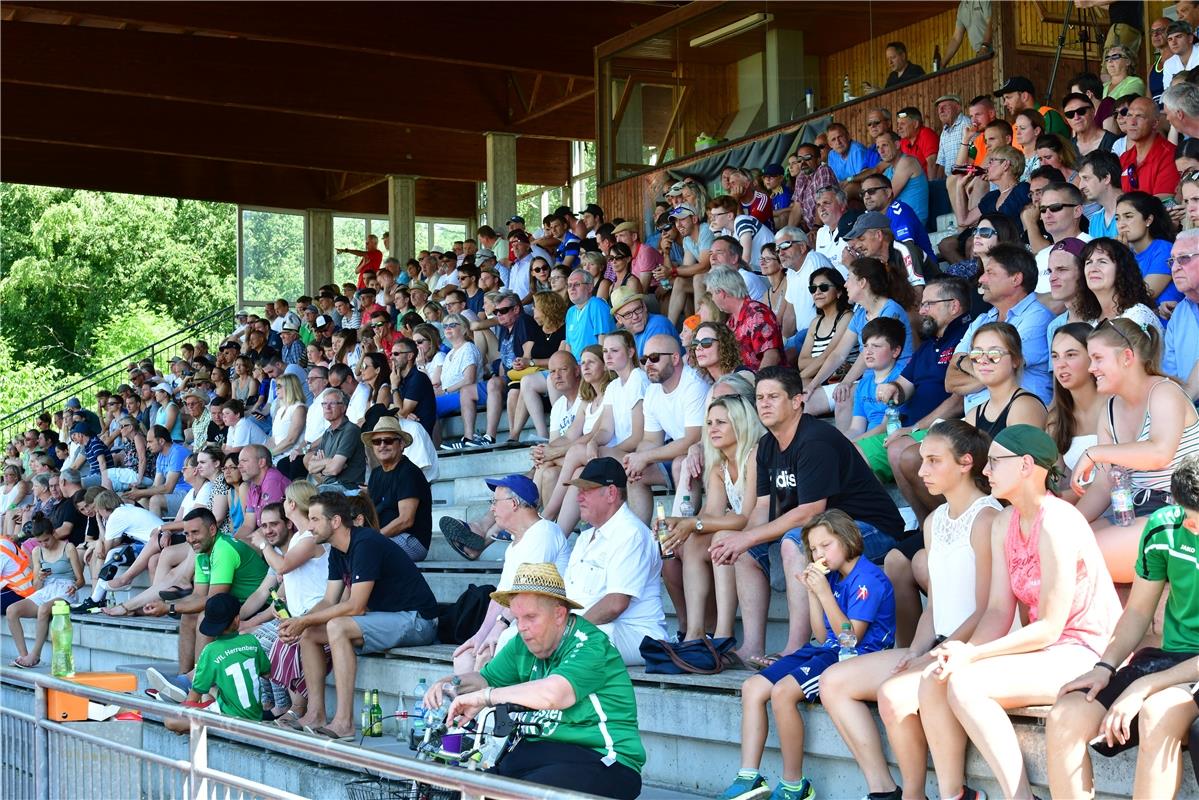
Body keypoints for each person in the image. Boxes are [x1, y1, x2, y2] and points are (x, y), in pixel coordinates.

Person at [920, 425, 1120, 800]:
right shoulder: (1003, 522)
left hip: (1085, 651)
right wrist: (962, 654)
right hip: (1048, 650)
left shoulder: (1057, 521)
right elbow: (997, 610)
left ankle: (1019, 797)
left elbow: (1049, 627)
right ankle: (955, 796)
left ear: (1027, 465)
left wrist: (974, 655)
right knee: (937, 676)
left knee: (966, 684)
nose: (986, 470)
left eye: (995, 462)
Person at [821, 421, 999, 800]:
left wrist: (934, 653)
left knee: (893, 692)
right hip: (935, 642)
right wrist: (917, 651)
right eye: (922, 461)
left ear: (966, 462)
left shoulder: (988, 517)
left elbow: (986, 608)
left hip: (972, 648)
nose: (921, 471)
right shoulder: (934, 521)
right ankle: (893, 792)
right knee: (833, 681)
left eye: (934, 461)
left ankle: (945, 793)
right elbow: (936, 603)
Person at [710, 367, 904, 666]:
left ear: (798, 400)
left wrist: (747, 536)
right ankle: (751, 646)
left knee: (795, 542)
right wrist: (742, 540)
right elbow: (763, 506)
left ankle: (795, 648)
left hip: (871, 527)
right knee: (746, 549)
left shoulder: (815, 439)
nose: (764, 404)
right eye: (760, 397)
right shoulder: (767, 446)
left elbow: (810, 512)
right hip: (822, 531)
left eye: (774, 396)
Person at [424, 562, 645, 800]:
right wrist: (450, 682)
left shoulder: (589, 644)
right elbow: (485, 679)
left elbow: (554, 694)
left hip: (604, 758)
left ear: (559, 614)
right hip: (540, 752)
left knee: (523, 795)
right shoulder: (524, 641)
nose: (522, 628)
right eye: (518, 618)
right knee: (470, 792)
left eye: (530, 617)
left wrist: (486, 697)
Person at [1048, 454, 1199, 799]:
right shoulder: (1163, 526)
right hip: (1170, 656)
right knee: (1064, 718)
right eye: (1190, 521)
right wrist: (1105, 666)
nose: (1193, 529)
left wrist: (1143, 687)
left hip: (1190, 672)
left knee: (1156, 714)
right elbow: (1137, 612)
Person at [717, 510, 895, 800]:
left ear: (848, 539)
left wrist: (823, 593)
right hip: (826, 650)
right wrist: (813, 594)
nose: (818, 553)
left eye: (826, 545)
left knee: (783, 692)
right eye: (813, 549)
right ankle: (749, 776)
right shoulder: (834, 577)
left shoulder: (867, 579)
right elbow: (823, 637)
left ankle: (793, 784)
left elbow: (850, 639)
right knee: (752, 687)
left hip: (854, 658)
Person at [278, 492, 438, 740]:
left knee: (337, 627)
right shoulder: (337, 549)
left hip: (418, 620)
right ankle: (316, 713)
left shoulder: (365, 543)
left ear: (335, 521)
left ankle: (344, 722)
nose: (309, 527)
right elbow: (328, 600)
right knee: (309, 633)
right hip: (388, 619)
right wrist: (299, 622)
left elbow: (356, 606)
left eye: (315, 519)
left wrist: (304, 620)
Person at [1071, 319, 1199, 582]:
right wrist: (1067, 522)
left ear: (1127, 357)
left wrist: (1096, 452)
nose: (1091, 368)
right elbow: (1105, 484)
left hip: (1182, 513)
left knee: (1077, 557)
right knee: (1058, 543)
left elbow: (1159, 453)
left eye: (1097, 358)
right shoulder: (1109, 409)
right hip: (1136, 511)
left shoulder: (1164, 392)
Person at [662, 394, 763, 646]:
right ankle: (695, 634)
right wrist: (678, 523)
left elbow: (746, 518)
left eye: (721, 423)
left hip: (764, 529)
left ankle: (723, 634)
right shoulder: (719, 466)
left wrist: (694, 524)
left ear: (740, 424)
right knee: (692, 543)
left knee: (718, 537)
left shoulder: (754, 455)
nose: (712, 429)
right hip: (739, 530)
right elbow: (712, 515)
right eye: (709, 423)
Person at [142, 507, 269, 696]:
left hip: (259, 607)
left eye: (195, 532)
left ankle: (197, 686)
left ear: (212, 530)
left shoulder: (224, 549)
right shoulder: (203, 551)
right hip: (236, 605)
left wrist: (169, 607)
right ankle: (181, 679)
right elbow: (198, 595)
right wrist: (171, 607)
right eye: (186, 534)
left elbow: (212, 600)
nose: (191, 539)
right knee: (189, 615)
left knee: (205, 615)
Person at [451, 476, 569, 675]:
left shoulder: (543, 532)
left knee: (488, 654)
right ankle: (470, 705)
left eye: (495, 502)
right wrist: (480, 636)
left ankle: (483, 704)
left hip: (544, 622)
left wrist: (500, 627)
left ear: (514, 504)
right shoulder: (515, 544)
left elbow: (528, 591)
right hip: (521, 620)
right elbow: (501, 596)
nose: (492, 509)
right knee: (465, 655)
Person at [881, 276, 973, 523]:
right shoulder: (927, 346)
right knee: (853, 452)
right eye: (922, 305)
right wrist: (892, 389)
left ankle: (939, 523)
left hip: (942, 428)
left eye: (928, 304)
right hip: (908, 428)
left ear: (953, 306)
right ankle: (923, 526)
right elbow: (903, 386)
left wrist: (914, 428)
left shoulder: (966, 338)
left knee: (901, 450)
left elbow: (959, 400)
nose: (921, 311)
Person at [561, 457, 668, 666]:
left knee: (584, 641)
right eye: (579, 491)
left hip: (635, 634)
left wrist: (567, 631)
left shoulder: (631, 533)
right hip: (592, 627)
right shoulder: (584, 537)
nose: (578, 498)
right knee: (517, 635)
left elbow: (615, 604)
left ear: (611, 493)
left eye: (586, 490)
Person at [949, 244, 1054, 414]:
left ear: (1016, 279)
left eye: (990, 272)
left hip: (1018, 421)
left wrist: (963, 362)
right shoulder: (982, 320)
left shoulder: (1037, 317)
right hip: (979, 423)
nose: (981, 279)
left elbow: (1004, 369)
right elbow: (950, 381)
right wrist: (989, 368)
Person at [6, 514, 84, 668]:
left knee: (43, 609)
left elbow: (81, 580)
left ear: (53, 533)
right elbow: (36, 586)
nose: (44, 544)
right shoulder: (36, 551)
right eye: (40, 542)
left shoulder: (68, 547)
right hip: (46, 589)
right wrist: (40, 577)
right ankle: (24, 656)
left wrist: (74, 586)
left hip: (65, 590)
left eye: (46, 540)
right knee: (11, 610)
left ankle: (35, 656)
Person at [362, 417, 431, 562]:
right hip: (385, 537)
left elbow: (406, 520)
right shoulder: (375, 474)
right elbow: (372, 513)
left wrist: (374, 538)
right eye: (377, 441)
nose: (382, 445)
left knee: (365, 551)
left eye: (388, 440)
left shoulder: (409, 473)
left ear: (401, 444)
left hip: (411, 540)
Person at [1047, 322, 1103, 481]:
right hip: (1079, 502)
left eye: (1071, 355)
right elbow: (1054, 481)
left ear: (1093, 357)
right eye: (1055, 356)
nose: (1060, 364)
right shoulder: (1056, 419)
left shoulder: (1116, 406)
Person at [1077, 238, 1163, 334]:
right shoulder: (1089, 321)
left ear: (1121, 269)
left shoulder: (1138, 316)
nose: (1093, 269)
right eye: (1088, 262)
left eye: (1102, 261)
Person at [707, 266, 782, 371]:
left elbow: (772, 355)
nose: (712, 299)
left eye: (712, 294)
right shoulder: (731, 322)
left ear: (721, 293)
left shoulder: (756, 315)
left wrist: (757, 384)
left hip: (767, 382)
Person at [1115, 191, 1181, 306]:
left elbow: (1143, 296)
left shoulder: (1165, 250)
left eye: (1128, 216)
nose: (1121, 224)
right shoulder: (1126, 252)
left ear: (1148, 220)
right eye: (1117, 218)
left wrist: (1123, 259)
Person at [794, 268, 853, 388]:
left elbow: (831, 356)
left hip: (841, 380)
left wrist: (793, 382)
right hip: (818, 377)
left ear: (839, 291)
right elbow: (801, 362)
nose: (817, 292)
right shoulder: (815, 323)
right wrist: (823, 361)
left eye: (824, 287)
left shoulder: (847, 317)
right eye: (813, 288)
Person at [302, 388, 365, 493]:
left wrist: (322, 467)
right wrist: (327, 461)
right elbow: (311, 467)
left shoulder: (350, 430)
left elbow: (335, 469)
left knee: (310, 495)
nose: (327, 407)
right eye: (324, 403)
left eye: (333, 403)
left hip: (347, 488)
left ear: (344, 407)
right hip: (330, 485)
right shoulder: (328, 432)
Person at [1119, 97, 1180, 198]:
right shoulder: (1124, 158)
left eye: (1139, 116)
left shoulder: (1170, 154)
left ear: (1155, 123)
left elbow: (1164, 203)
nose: (1132, 122)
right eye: (1129, 115)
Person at [1164, 229, 1199, 399]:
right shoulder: (1179, 313)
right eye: (1172, 261)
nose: (1175, 268)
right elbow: (1171, 377)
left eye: (1184, 258)